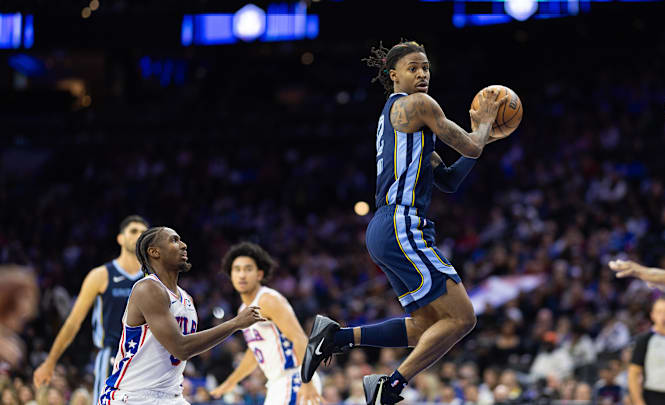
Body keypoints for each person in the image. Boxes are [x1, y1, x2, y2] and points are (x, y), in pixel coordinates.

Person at [301, 40, 508, 404]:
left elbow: (449, 180)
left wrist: (481, 137)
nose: (423, 74)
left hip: (387, 228)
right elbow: (471, 147)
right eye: (414, 67)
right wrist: (484, 125)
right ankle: (390, 385)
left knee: (429, 327)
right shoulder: (419, 105)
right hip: (400, 222)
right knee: (463, 318)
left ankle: (336, 338)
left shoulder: (399, 121)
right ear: (393, 75)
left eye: (426, 67)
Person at [98, 227, 264, 405]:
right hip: (133, 395)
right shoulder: (147, 288)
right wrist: (235, 324)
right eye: (174, 240)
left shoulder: (187, 299)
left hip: (172, 396)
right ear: (154, 252)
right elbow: (181, 348)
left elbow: (191, 347)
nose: (184, 245)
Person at [34, 215, 149, 405]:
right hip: (112, 355)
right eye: (133, 231)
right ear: (120, 238)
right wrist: (50, 362)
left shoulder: (153, 278)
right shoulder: (101, 275)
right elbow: (73, 322)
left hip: (146, 357)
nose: (138, 235)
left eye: (143, 232)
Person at [209, 242, 323, 405]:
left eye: (248, 269)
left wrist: (308, 382)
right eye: (237, 269)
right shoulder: (243, 309)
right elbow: (255, 351)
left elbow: (300, 339)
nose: (242, 275)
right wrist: (231, 381)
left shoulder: (269, 300)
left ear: (259, 274)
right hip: (277, 383)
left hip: (295, 378)